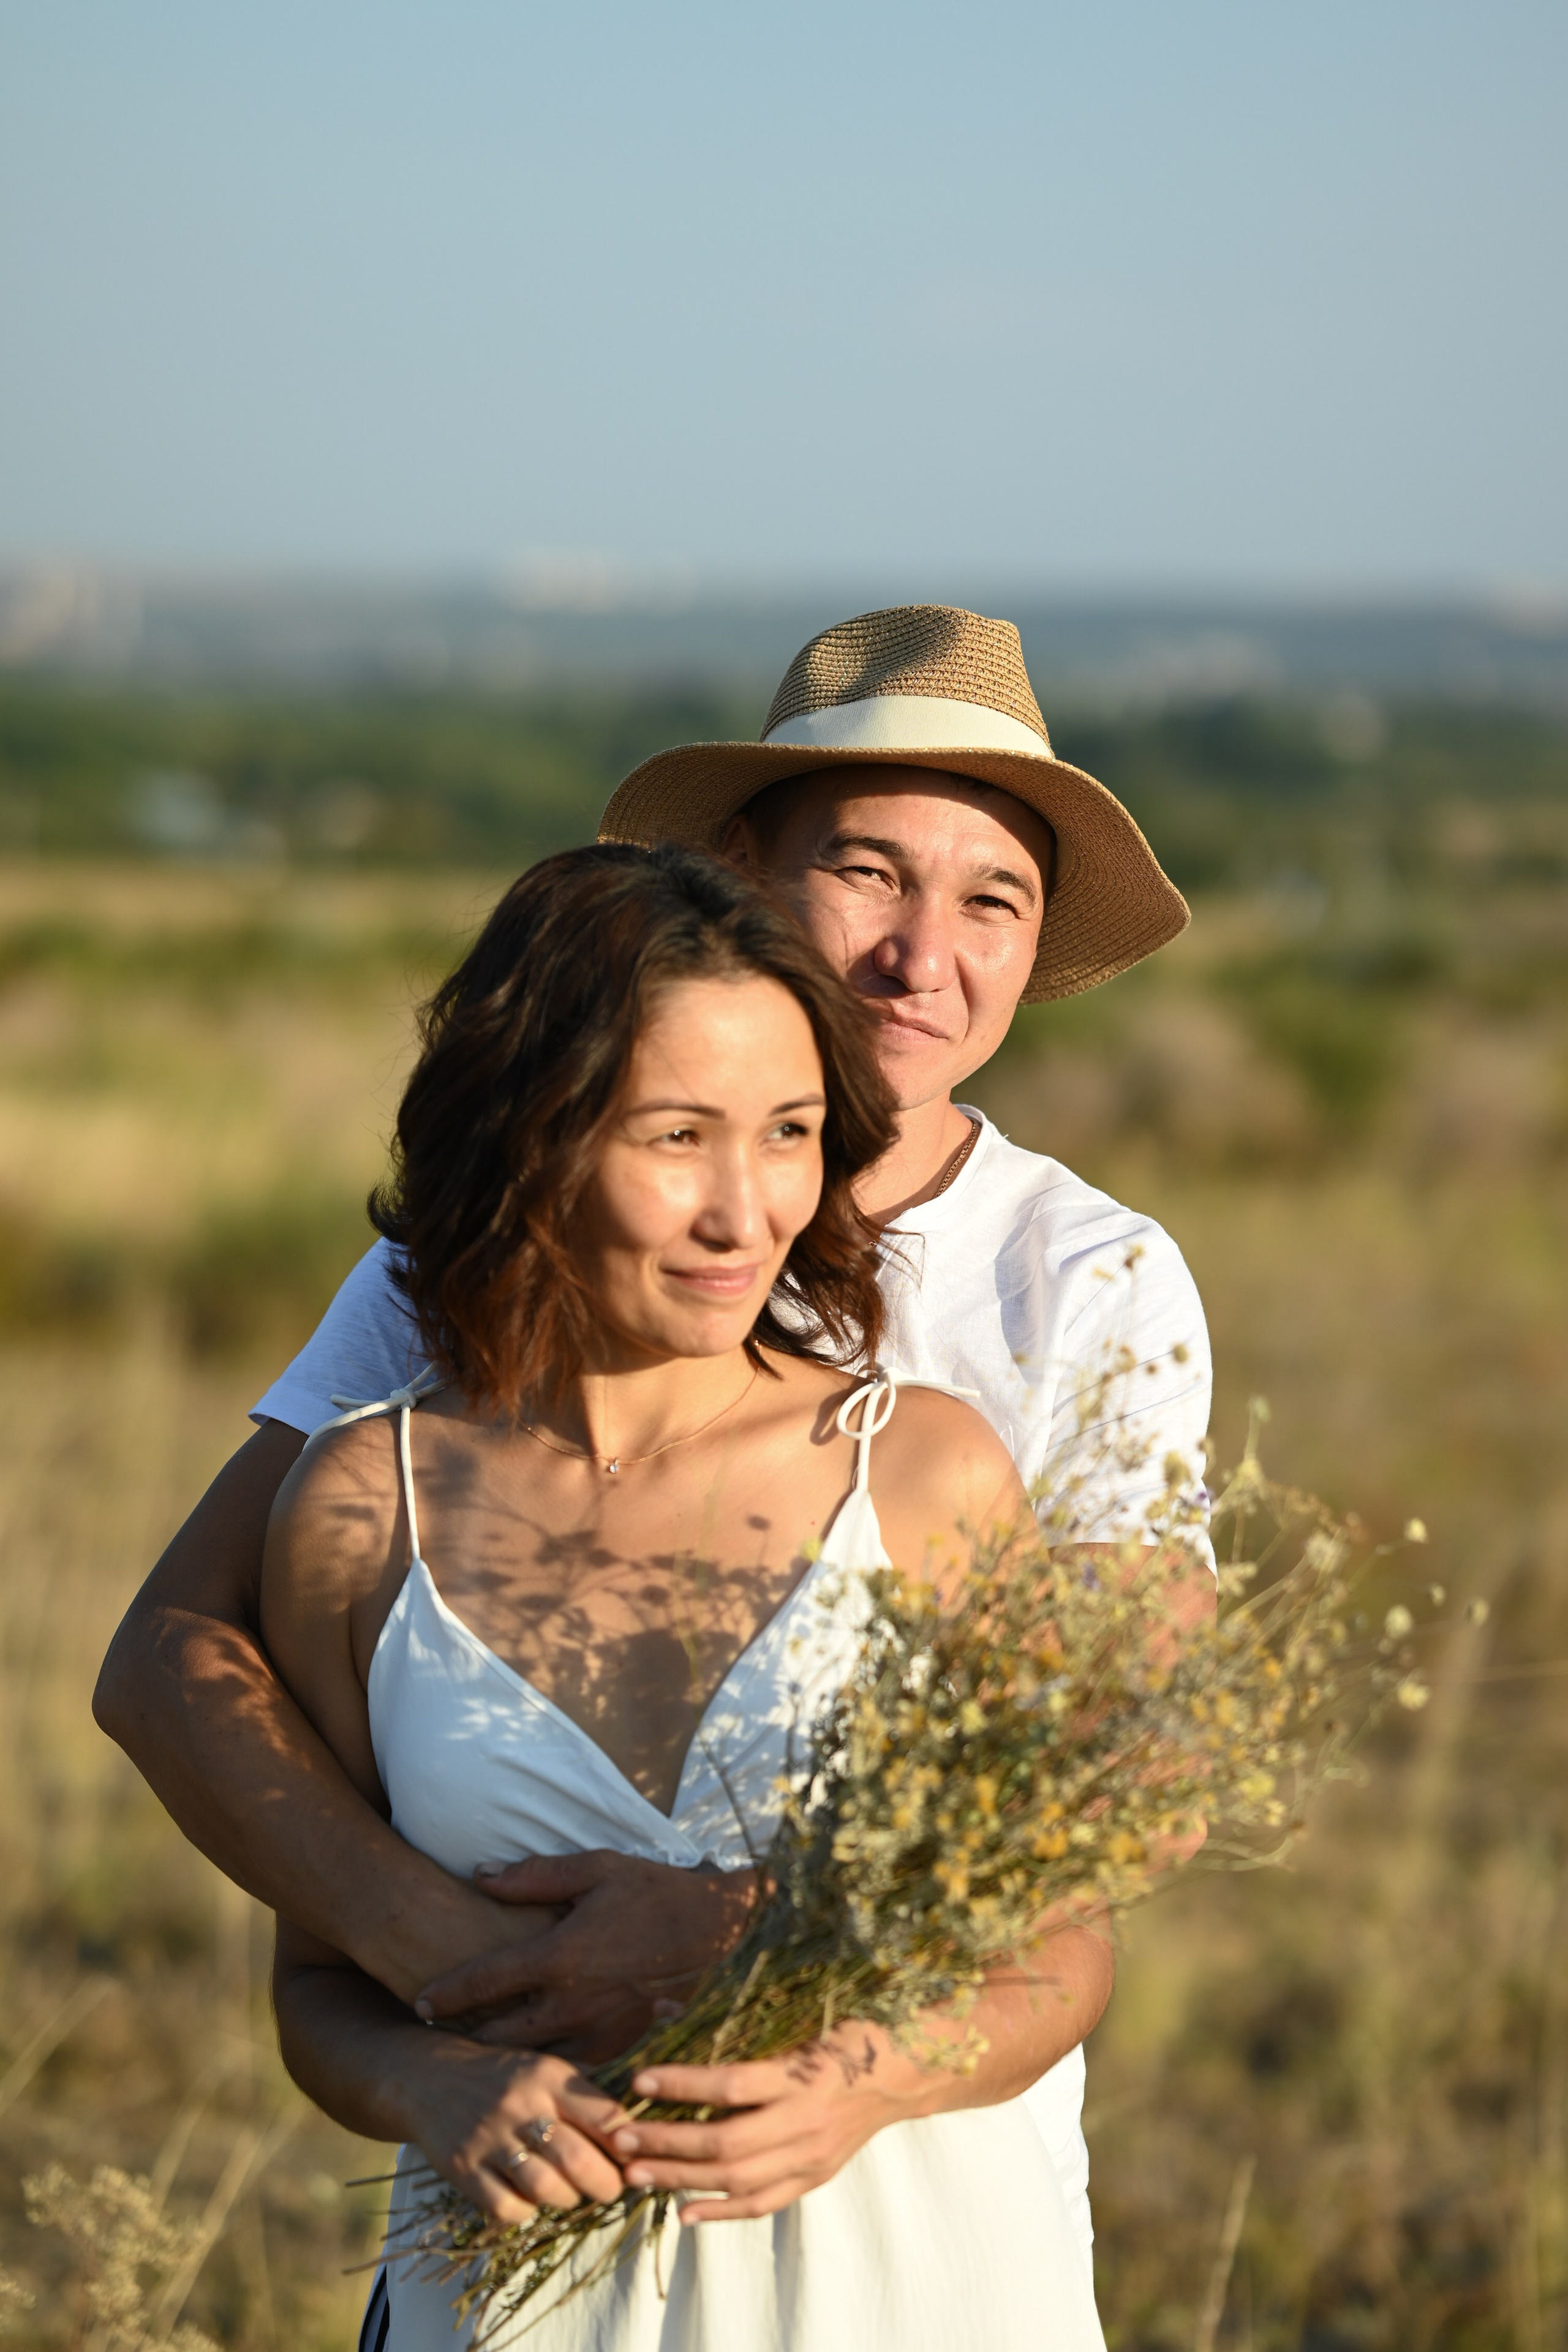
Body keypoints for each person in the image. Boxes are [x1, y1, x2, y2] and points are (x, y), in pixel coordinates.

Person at [95, 602, 1213, 2283]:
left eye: (995, 897)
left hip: (910, 2197)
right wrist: (454, 1959)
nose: (928, 952)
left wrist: (765, 1940)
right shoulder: (464, 1273)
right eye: (869, 872)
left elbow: (1133, 1782)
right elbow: (182, 1651)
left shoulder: (1089, 1282)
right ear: (742, 880)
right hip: (518, 2238)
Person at [266, 842, 1109, 2350]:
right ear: (529, 1136)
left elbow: (1066, 1945)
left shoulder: (924, 1476)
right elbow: (320, 1984)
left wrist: (862, 2078)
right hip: (510, 2308)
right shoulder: (355, 1509)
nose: (747, 1211)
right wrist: (430, 2085)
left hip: (914, 2294)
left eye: (789, 1133)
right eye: (677, 1137)